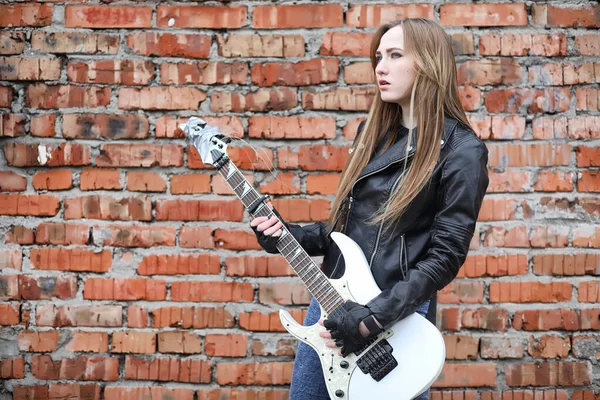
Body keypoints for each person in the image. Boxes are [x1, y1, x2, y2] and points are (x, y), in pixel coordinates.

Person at [250, 18, 489, 400]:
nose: (380, 66)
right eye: (379, 56)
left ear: (429, 63)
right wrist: (288, 235)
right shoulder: (373, 136)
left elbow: (445, 256)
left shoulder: (462, 151)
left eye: (395, 55)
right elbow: (344, 232)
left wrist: (373, 317)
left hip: (395, 320)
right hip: (332, 301)